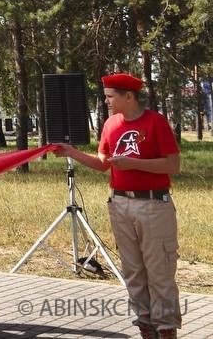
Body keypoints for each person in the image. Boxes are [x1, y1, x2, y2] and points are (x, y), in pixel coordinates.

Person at [54, 73, 182, 339]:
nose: (106, 100)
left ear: (129, 96)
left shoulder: (155, 122)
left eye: (111, 96)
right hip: (121, 203)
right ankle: (146, 328)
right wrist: (70, 151)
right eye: (105, 95)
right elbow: (103, 163)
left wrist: (133, 163)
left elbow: (172, 165)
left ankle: (166, 329)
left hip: (154, 204)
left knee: (160, 272)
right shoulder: (110, 124)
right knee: (133, 272)